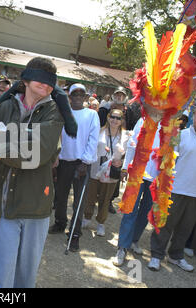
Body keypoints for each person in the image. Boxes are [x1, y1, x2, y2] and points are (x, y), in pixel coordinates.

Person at [0, 57, 64, 288]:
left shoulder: (54, 113)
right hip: (3, 203)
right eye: (40, 78)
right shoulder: (5, 107)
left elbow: (36, 149)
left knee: (26, 275)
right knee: (1, 269)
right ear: (26, 79)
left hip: (35, 204)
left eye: (50, 81)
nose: (45, 85)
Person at [148, 105, 196, 272]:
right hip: (175, 189)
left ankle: (176, 256)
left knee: (186, 227)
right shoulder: (180, 135)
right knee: (165, 224)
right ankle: (156, 255)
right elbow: (167, 160)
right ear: (192, 118)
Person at [49, 83, 100, 253]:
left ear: (86, 97)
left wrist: (85, 162)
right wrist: (55, 160)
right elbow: (55, 136)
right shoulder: (62, 112)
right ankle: (60, 222)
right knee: (60, 197)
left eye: (81, 94)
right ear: (69, 97)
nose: (78, 97)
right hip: (63, 162)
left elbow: (93, 140)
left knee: (79, 201)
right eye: (74, 94)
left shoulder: (92, 114)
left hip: (81, 164)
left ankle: (75, 234)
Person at [113, 117, 161, 266]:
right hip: (138, 171)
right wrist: (125, 167)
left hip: (156, 176)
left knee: (146, 210)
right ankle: (122, 247)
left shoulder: (170, 123)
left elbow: (173, 151)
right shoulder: (143, 119)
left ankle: (134, 240)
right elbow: (132, 145)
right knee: (130, 209)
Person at [83, 108, 129, 237]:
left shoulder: (125, 136)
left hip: (112, 171)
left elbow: (129, 153)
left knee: (105, 198)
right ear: (108, 117)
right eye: (112, 117)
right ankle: (87, 217)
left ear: (121, 121)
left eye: (118, 118)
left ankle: (101, 223)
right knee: (91, 195)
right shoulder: (99, 131)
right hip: (96, 168)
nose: (115, 120)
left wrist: (122, 163)